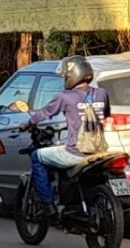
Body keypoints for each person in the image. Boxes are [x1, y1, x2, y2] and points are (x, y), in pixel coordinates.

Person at [25, 55, 111, 217]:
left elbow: (44, 113)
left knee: (37, 156)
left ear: (73, 75)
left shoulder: (64, 97)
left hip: (75, 153)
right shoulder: (102, 93)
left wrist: (28, 123)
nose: (65, 79)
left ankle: (48, 205)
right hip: (100, 152)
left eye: (66, 75)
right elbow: (104, 115)